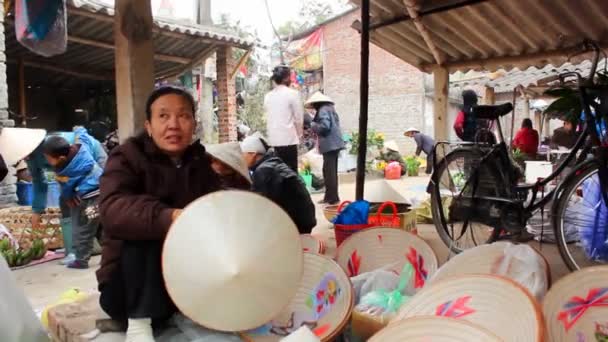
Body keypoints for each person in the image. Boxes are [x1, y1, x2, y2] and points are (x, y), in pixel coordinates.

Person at [98, 86, 221, 342]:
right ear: (149, 125)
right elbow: (112, 209)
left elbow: (218, 207)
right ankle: (139, 326)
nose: (174, 125)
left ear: (193, 124)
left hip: (181, 284)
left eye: (183, 116)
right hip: (126, 290)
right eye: (163, 116)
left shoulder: (200, 162)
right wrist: (171, 217)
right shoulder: (127, 157)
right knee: (148, 223)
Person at [27, 126, 107, 265]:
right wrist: (80, 130)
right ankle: (85, 251)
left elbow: (67, 187)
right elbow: (40, 184)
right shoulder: (73, 151)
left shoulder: (65, 166)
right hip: (91, 182)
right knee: (91, 218)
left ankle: (82, 256)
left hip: (92, 182)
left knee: (86, 223)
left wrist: (69, 195)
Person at [241, 134, 316, 234]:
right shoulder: (273, 163)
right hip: (305, 219)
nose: (241, 158)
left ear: (253, 154)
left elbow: (259, 206)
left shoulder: (264, 171)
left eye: (242, 154)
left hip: (296, 225)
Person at [305, 92, 345, 205]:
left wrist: (312, 124)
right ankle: (330, 196)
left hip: (330, 144)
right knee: (329, 171)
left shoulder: (323, 110)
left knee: (329, 172)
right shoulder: (330, 109)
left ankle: (332, 198)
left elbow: (324, 127)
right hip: (334, 144)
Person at [264, 65, 304, 172]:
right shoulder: (292, 94)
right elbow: (298, 118)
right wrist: (300, 136)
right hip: (289, 140)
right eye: (290, 76)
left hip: (274, 141)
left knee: (278, 173)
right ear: (286, 78)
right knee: (291, 173)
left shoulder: (268, 96)